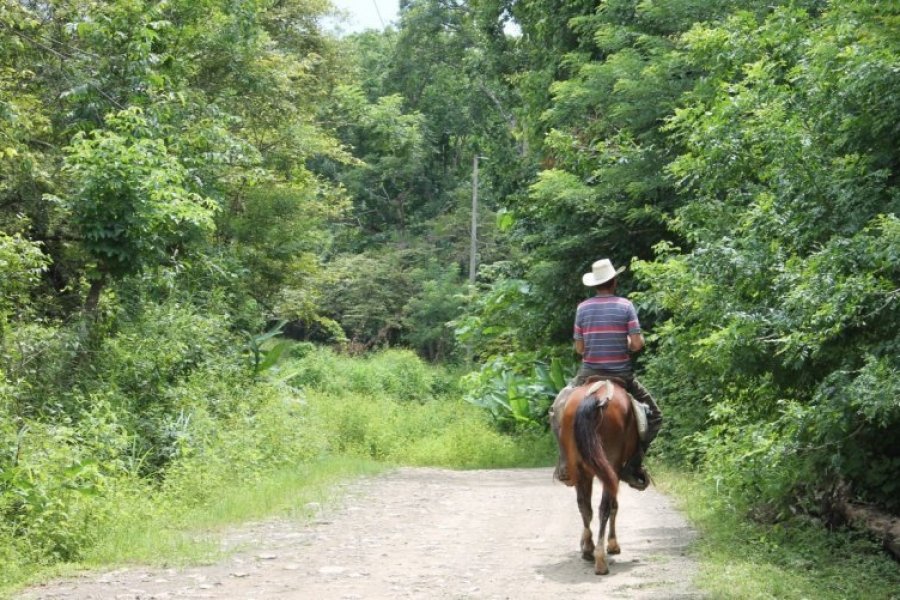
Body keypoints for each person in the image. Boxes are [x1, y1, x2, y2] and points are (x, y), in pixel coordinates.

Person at [552, 258, 662, 490]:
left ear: (595, 284)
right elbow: (637, 343)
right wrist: (628, 344)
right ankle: (633, 466)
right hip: (621, 375)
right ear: (614, 281)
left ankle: (564, 463)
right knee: (655, 416)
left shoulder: (582, 308)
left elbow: (579, 349)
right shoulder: (626, 306)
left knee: (556, 411)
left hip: (588, 374)